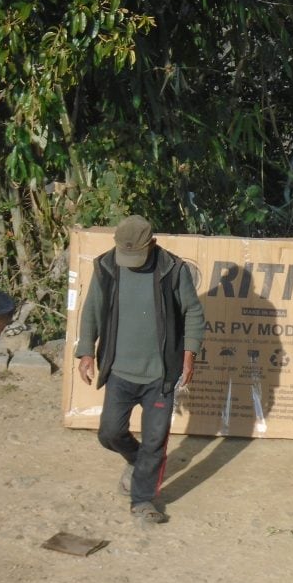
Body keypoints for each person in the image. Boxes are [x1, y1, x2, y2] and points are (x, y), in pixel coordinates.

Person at [75, 215, 205, 524]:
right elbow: (91, 309)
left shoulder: (173, 270)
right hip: (120, 370)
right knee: (109, 433)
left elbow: (193, 313)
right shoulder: (106, 267)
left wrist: (189, 355)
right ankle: (137, 461)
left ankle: (144, 500)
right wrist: (85, 352)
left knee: (155, 441)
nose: (130, 261)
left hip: (160, 374)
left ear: (152, 244)